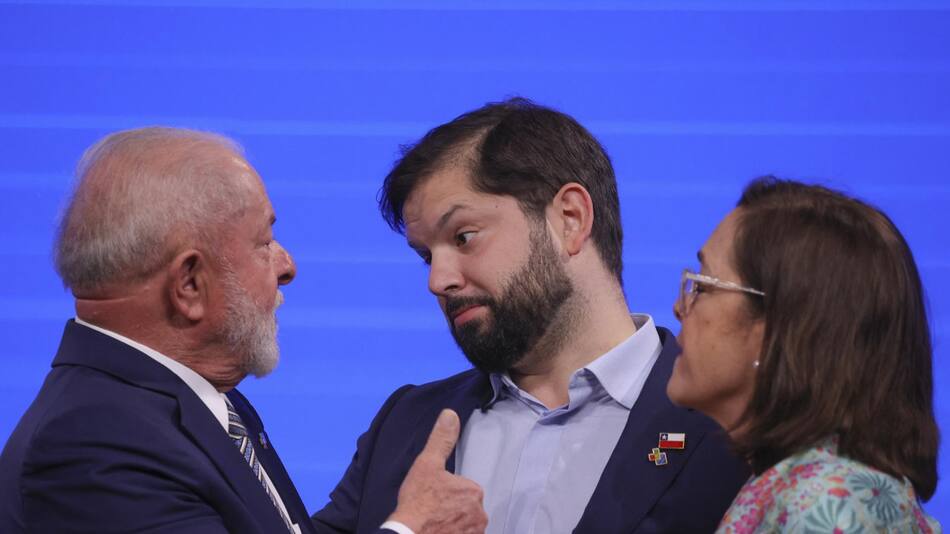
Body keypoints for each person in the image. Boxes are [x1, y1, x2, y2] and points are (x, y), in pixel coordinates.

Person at [0, 127, 486, 534]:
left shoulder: (196, 402)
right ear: (189, 283)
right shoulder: (92, 446)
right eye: (264, 242)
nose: (287, 265)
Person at [312, 98, 749, 533]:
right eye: (427, 256)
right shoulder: (405, 426)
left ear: (569, 220)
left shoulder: (734, 424)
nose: (438, 280)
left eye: (463, 237)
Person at [667, 177, 940, 532]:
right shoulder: (796, 485)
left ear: (780, 330)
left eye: (703, 285)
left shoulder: (826, 504)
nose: (679, 307)